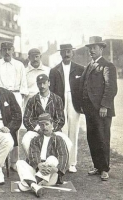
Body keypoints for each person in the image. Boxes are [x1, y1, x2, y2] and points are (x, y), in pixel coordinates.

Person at [80, 36, 117, 181]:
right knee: (92, 138)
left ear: (101, 49)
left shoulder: (107, 66)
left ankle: (104, 169)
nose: (91, 51)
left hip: (102, 110)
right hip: (90, 110)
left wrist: (104, 106)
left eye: (94, 48)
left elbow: (111, 87)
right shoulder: (89, 66)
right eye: (89, 48)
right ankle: (97, 166)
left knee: (102, 138)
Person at [49, 44, 84, 173]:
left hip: (74, 101)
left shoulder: (80, 69)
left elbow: (83, 89)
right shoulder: (54, 70)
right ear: (60, 54)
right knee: (62, 131)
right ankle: (62, 160)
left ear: (72, 53)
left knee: (73, 131)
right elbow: (51, 91)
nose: (66, 54)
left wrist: (82, 104)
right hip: (60, 101)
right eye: (64, 52)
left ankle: (72, 163)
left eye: (68, 51)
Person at [0, 41, 28, 171]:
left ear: (13, 50)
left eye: (9, 49)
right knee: (1, 127)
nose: (7, 52)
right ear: (1, 51)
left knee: (15, 129)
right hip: (1, 96)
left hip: (15, 95)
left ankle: (14, 161)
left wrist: (20, 102)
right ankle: (1, 161)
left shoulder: (19, 65)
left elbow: (23, 85)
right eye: (4, 49)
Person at [16, 113, 69, 198]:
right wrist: (39, 165)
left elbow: (64, 157)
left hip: (50, 175)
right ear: (39, 126)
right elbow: (33, 155)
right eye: (42, 125)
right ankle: (35, 186)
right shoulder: (35, 140)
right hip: (38, 169)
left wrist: (54, 169)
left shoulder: (58, 139)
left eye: (47, 124)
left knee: (52, 159)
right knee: (20, 162)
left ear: (52, 124)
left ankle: (31, 182)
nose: (45, 127)